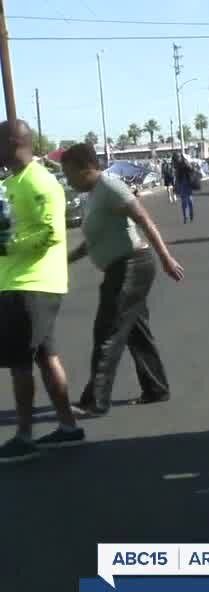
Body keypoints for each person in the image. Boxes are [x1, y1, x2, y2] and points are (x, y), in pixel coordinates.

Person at [59, 143, 184, 417]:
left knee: (108, 331)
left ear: (86, 168)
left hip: (132, 266)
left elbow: (144, 220)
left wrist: (166, 259)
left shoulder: (111, 187)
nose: (67, 180)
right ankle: (156, 388)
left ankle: (95, 401)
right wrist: (65, 260)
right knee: (135, 332)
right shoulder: (93, 195)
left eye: (69, 174)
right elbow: (94, 241)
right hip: (120, 267)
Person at [0, 119, 85, 463]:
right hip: (20, 281)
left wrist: (7, 245)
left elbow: (50, 233)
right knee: (45, 356)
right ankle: (68, 427)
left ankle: (24, 436)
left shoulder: (40, 182)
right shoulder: (13, 183)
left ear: (11, 143)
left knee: (20, 363)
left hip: (31, 283)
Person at [172, 152, 197, 223]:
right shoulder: (175, 165)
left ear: (180, 157)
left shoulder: (185, 162)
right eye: (176, 158)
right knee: (183, 202)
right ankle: (185, 216)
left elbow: (192, 170)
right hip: (181, 184)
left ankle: (191, 213)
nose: (177, 159)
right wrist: (175, 185)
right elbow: (176, 176)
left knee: (189, 200)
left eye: (178, 157)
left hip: (187, 183)